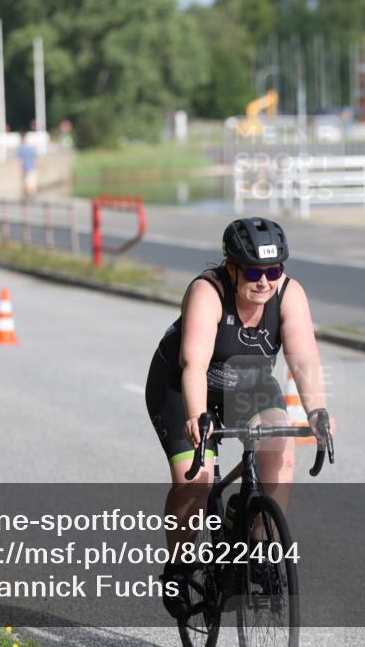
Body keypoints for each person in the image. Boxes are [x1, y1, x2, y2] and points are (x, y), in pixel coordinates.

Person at [144, 217, 332, 618]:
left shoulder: (289, 294)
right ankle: (179, 567)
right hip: (181, 387)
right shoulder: (207, 291)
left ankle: (258, 551)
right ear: (231, 268)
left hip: (249, 382)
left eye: (273, 271)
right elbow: (194, 364)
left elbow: (304, 358)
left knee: (280, 452)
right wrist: (197, 416)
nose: (264, 282)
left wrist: (317, 411)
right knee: (196, 480)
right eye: (253, 272)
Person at [16, 132, 38, 198]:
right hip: (32, 168)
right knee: (32, 184)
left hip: (25, 168)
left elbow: (20, 160)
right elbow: (35, 158)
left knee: (26, 184)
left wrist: (20, 170)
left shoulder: (20, 148)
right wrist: (36, 167)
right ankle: (33, 197)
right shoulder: (30, 147)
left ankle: (28, 197)